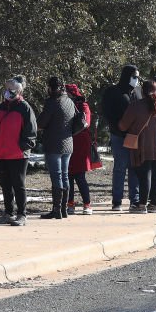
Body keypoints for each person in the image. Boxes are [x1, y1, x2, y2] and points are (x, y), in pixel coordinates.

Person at [0, 75, 36, 226]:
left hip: (18, 156)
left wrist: (21, 147)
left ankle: (22, 214)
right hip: (1, 154)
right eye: (7, 89)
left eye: (12, 89)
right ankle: (8, 213)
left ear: (19, 90)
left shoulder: (25, 108)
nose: (9, 91)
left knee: (18, 184)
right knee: (5, 185)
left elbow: (31, 133)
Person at [119, 79, 156, 211]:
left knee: (144, 175)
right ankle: (153, 205)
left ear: (142, 91)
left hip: (142, 145)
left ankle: (141, 205)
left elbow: (123, 125)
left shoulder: (136, 106)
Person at [101, 64, 141, 211]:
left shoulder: (136, 92)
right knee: (120, 168)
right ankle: (117, 201)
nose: (136, 80)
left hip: (134, 136)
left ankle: (134, 199)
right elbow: (106, 112)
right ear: (127, 76)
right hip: (118, 136)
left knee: (134, 168)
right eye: (134, 77)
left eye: (137, 77)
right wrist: (118, 126)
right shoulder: (113, 92)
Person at [37, 77, 77, 220]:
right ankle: (64, 209)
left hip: (54, 144)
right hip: (68, 143)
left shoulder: (52, 103)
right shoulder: (70, 101)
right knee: (65, 176)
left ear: (52, 88)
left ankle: (56, 210)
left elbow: (41, 123)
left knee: (56, 176)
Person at [66, 83, 100, 215]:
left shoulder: (83, 106)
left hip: (80, 144)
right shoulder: (66, 104)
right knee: (68, 176)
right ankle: (70, 204)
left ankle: (87, 204)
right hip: (68, 142)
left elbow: (85, 123)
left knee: (80, 176)